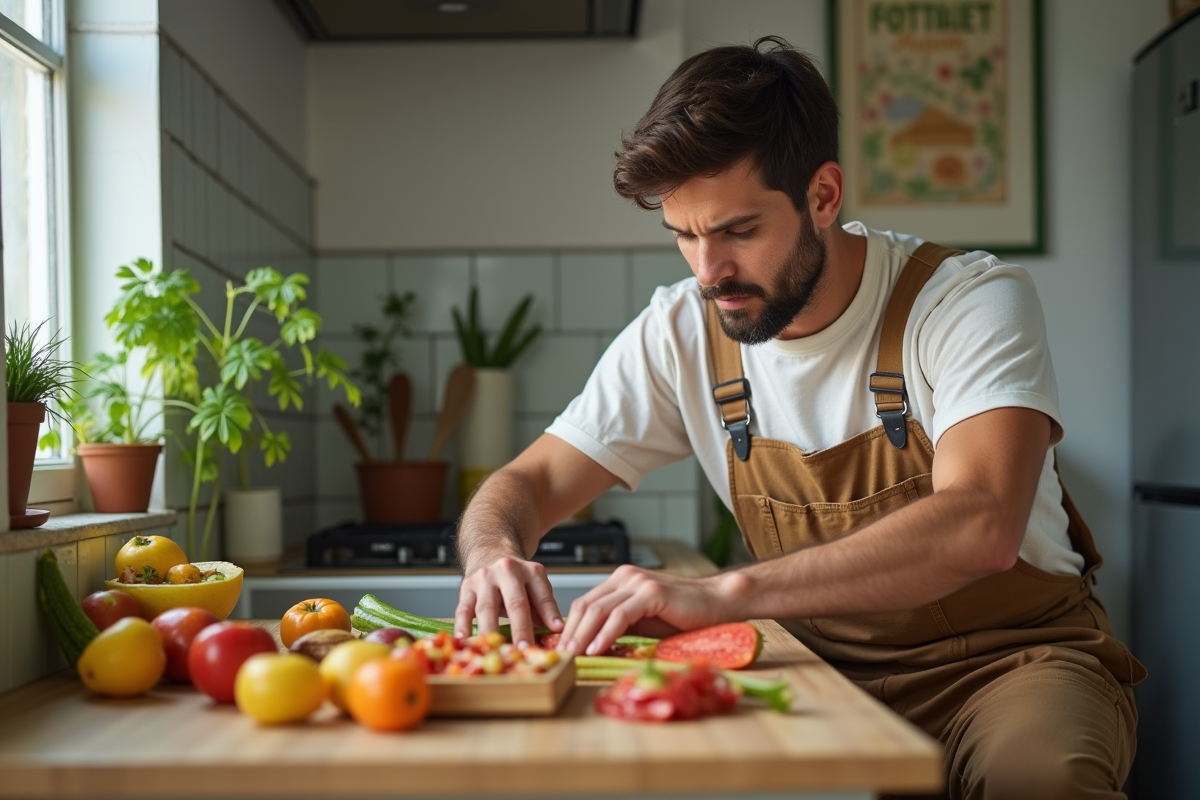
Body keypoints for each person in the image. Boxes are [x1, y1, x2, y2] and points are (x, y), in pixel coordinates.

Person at [453, 36, 1144, 799]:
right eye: (684, 234)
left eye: (738, 232)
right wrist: (493, 553)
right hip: (812, 668)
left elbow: (981, 524)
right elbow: (529, 479)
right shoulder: (681, 331)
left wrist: (720, 594)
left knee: (1040, 781)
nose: (708, 272)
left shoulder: (965, 301)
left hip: (1012, 663)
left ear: (823, 196)